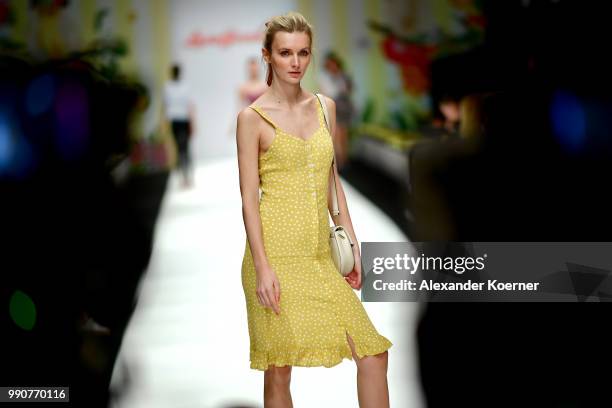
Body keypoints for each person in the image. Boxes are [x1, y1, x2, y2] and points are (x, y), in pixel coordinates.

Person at [235, 12, 392, 408]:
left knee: (373, 355)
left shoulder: (325, 107)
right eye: (285, 52)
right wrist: (263, 266)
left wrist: (352, 246)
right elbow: (248, 198)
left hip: (320, 254)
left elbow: (331, 183)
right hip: (275, 254)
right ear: (267, 56)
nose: (295, 62)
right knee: (279, 369)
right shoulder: (252, 119)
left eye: (303, 52)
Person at [318, 51, 354, 170]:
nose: (332, 66)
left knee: (343, 135)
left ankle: (343, 161)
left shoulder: (343, 76)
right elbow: (325, 93)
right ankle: (339, 162)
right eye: (329, 64)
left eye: (333, 64)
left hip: (343, 108)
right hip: (332, 107)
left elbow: (349, 90)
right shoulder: (325, 77)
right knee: (336, 135)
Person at [163, 63, 196, 188]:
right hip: (179, 120)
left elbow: (189, 105)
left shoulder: (175, 86)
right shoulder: (169, 86)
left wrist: (192, 122)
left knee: (184, 148)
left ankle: (187, 177)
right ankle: (185, 177)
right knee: (182, 148)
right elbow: (167, 106)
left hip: (180, 120)